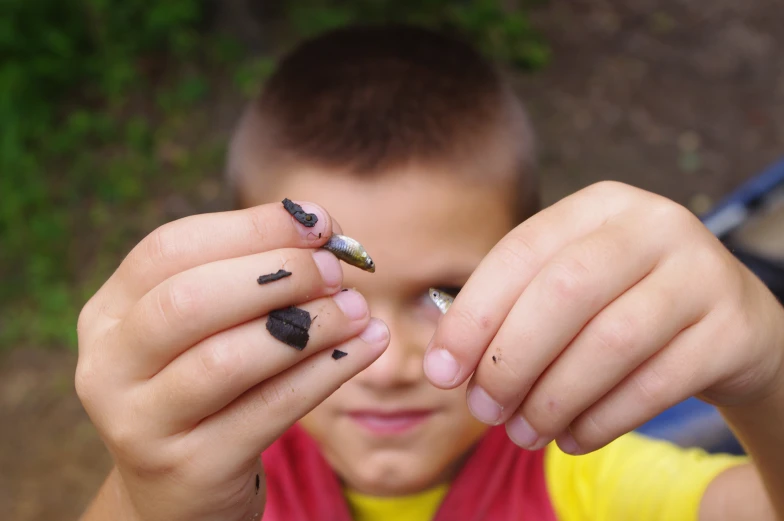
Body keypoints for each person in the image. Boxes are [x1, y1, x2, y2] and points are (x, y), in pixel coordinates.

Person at [76, 25, 784, 521]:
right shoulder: (214, 470)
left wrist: (771, 371)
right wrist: (147, 499)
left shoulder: (584, 477)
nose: (387, 366)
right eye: (329, 299)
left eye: (444, 297)